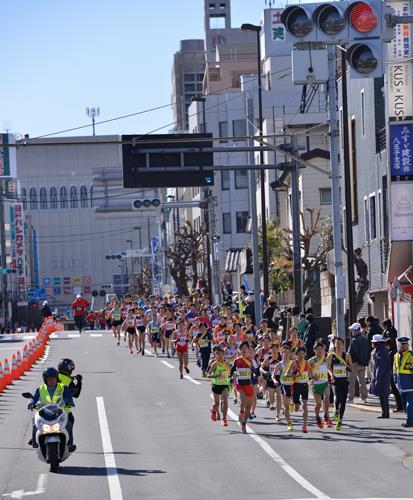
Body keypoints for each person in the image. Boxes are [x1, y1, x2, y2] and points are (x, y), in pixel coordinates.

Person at [28, 367, 75, 452]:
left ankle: (69, 444)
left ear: (57, 378)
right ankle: (35, 442)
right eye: (49, 379)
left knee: (68, 424)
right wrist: (31, 403)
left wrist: (69, 402)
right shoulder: (40, 389)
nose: (52, 381)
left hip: (59, 413)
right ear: (45, 379)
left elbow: (68, 396)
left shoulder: (63, 387)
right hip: (44, 413)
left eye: (54, 378)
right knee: (34, 423)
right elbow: (33, 397)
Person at [327, 337, 352, 430]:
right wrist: (331, 375)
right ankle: (336, 409)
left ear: (343, 345)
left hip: (344, 380)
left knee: (344, 401)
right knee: (338, 397)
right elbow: (328, 367)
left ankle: (340, 421)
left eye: (340, 344)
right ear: (334, 344)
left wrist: (348, 368)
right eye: (336, 343)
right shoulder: (331, 356)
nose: (338, 345)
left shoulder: (347, 356)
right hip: (335, 380)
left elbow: (351, 367)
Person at [230, 341, 254, 433]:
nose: (244, 350)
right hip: (240, 384)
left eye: (246, 348)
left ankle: (244, 424)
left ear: (248, 350)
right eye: (242, 348)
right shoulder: (237, 360)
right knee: (243, 399)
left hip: (249, 385)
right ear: (239, 351)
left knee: (248, 407)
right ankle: (241, 411)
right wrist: (230, 378)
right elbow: (232, 371)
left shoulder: (251, 361)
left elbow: (254, 372)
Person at [309, 341, 332, 429]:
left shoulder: (326, 360)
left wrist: (332, 375)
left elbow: (329, 369)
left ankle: (326, 416)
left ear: (323, 350)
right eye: (317, 349)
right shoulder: (311, 361)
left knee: (327, 399)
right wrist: (312, 378)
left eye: (321, 349)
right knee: (318, 404)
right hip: (316, 385)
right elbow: (307, 372)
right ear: (314, 350)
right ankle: (317, 417)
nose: (319, 351)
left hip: (325, 383)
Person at [369, 334, 391, 419]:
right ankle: (385, 412)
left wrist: (377, 378)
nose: (372, 344)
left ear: (377, 343)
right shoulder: (381, 350)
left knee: (383, 395)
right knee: (383, 395)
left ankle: (385, 413)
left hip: (382, 377)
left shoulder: (380, 351)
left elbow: (380, 366)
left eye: (373, 342)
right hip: (384, 375)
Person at [348, 322, 370, 403]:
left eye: (352, 329)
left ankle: (351, 398)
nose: (351, 331)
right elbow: (368, 352)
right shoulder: (365, 339)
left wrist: (351, 363)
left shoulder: (354, 339)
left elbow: (351, 353)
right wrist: (366, 362)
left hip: (355, 364)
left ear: (354, 330)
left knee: (352, 382)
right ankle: (364, 398)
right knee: (362, 381)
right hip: (363, 364)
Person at [208, 347, 230, 427]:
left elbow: (231, 372)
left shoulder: (226, 364)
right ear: (215, 355)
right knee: (216, 404)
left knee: (225, 401)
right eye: (218, 354)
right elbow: (208, 375)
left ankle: (224, 419)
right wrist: (216, 375)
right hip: (216, 385)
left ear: (224, 355)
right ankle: (213, 410)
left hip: (224, 385)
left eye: (222, 354)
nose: (220, 356)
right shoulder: (214, 364)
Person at [393, 337, 413, 428]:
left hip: (409, 383)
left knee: (409, 405)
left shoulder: (411, 355)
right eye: (401, 344)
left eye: (405, 344)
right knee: (405, 405)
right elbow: (395, 369)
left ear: (408, 345)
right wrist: (396, 381)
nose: (403, 345)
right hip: (401, 384)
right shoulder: (396, 355)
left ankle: (410, 421)